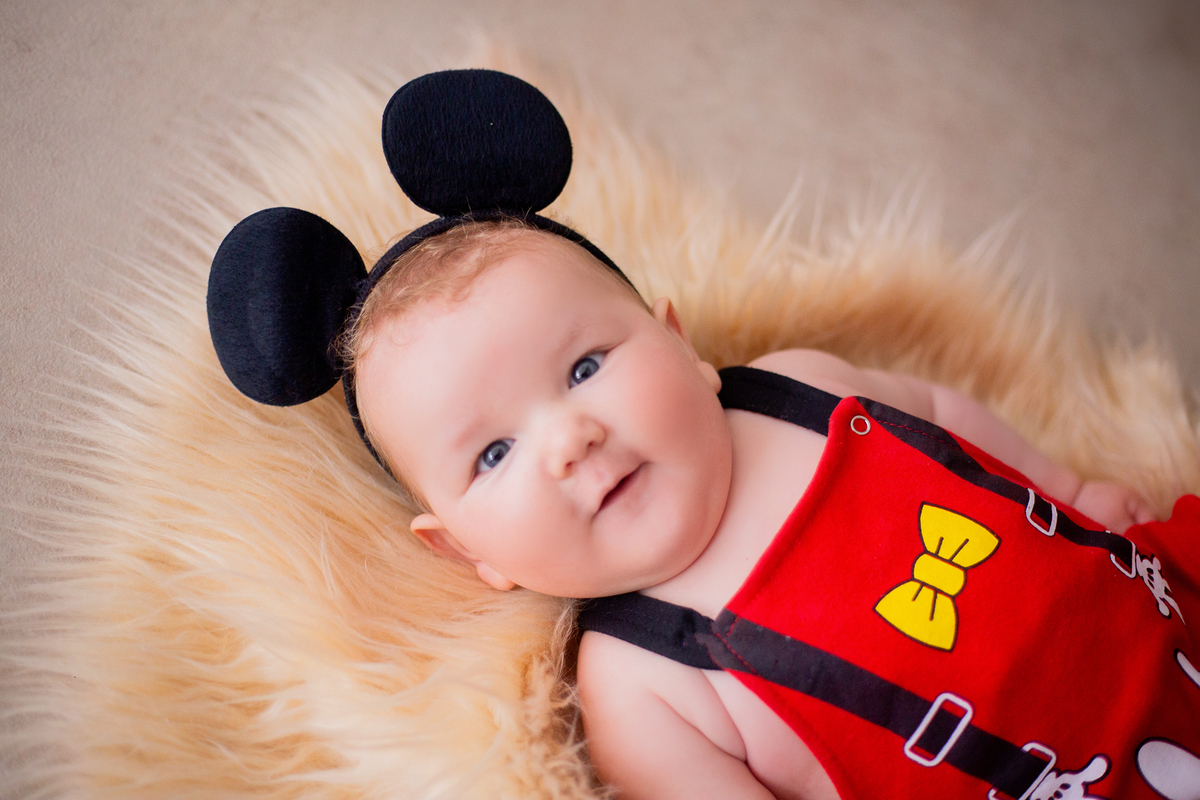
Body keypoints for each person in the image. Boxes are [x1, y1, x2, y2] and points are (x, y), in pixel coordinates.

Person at [208, 69, 1200, 800]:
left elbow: (943, 418)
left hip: (1161, 610)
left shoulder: (798, 386)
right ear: (469, 550)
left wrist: (1065, 479)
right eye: (494, 453)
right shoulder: (639, 682)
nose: (572, 436)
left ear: (682, 348)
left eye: (586, 366)